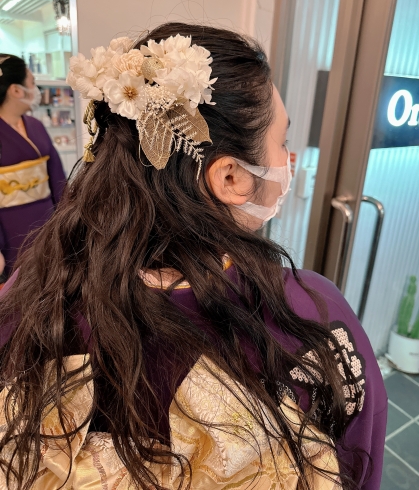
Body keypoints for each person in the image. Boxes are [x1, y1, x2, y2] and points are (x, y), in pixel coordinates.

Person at [0, 24, 386, 490]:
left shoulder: (36, 287)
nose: (290, 159)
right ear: (230, 177)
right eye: (283, 142)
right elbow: (356, 465)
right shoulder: (311, 314)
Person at [0, 54, 66, 278]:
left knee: (51, 272)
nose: (35, 89)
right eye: (32, 82)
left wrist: (66, 217)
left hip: (46, 217)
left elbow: (57, 177)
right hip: (10, 226)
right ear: (16, 90)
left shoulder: (35, 125)